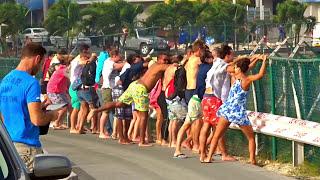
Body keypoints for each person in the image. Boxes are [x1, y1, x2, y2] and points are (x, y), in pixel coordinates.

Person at [87, 57, 175, 147]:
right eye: (164, 59)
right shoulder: (159, 66)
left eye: (167, 60)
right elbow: (171, 67)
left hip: (134, 85)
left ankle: (96, 110)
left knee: (118, 104)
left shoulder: (153, 65)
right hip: (141, 88)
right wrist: (178, 63)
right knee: (143, 116)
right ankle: (142, 141)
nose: (166, 61)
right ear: (159, 59)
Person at [0, 43, 57, 171]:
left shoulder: (5, 80)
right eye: (41, 63)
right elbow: (37, 119)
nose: (40, 67)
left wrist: (40, 106)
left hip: (9, 146)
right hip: (27, 147)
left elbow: (6, 111)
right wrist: (53, 115)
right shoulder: (31, 82)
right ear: (37, 58)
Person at [203, 55, 268, 164]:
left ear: (238, 69)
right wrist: (264, 61)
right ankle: (252, 160)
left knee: (216, 136)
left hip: (227, 110)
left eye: (237, 67)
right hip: (238, 112)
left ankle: (208, 157)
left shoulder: (233, 77)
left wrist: (254, 59)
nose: (235, 68)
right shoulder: (246, 80)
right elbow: (259, 74)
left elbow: (244, 67)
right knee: (251, 138)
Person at [199, 46, 237, 162]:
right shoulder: (224, 66)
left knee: (206, 126)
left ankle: (202, 154)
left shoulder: (215, 63)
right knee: (218, 128)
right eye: (232, 55)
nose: (234, 57)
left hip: (206, 97)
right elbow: (234, 69)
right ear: (227, 55)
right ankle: (223, 153)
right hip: (214, 99)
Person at [99, 49, 124, 140]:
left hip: (113, 88)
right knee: (106, 111)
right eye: (118, 56)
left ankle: (114, 132)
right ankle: (101, 131)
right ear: (114, 56)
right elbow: (118, 66)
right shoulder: (109, 62)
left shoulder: (110, 61)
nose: (120, 58)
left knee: (114, 112)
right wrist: (126, 63)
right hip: (108, 89)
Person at [69, 44, 90, 134]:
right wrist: (92, 58)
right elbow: (84, 62)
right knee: (76, 107)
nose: (87, 53)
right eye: (86, 51)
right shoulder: (78, 60)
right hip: (75, 86)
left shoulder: (78, 59)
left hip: (79, 85)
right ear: (83, 51)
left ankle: (78, 125)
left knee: (82, 107)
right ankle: (72, 127)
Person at [47, 54, 71, 130]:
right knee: (63, 107)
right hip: (54, 91)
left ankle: (59, 122)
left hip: (60, 91)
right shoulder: (63, 69)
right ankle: (56, 122)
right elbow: (70, 76)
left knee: (69, 106)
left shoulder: (61, 68)